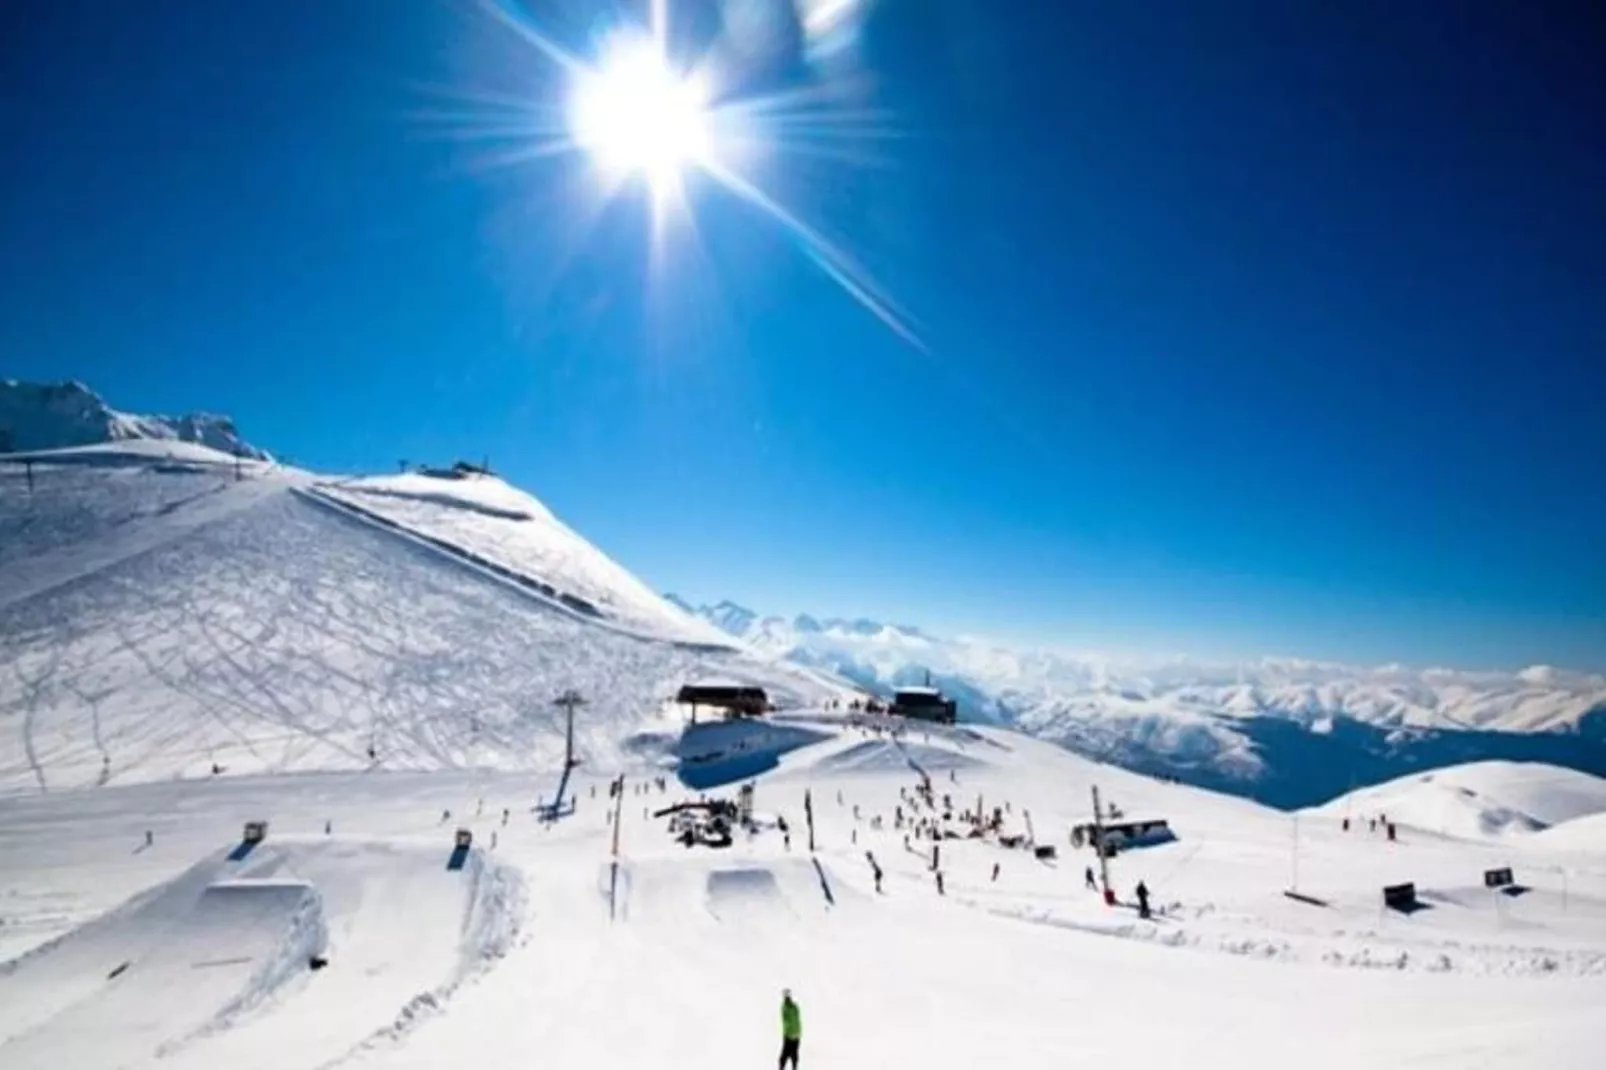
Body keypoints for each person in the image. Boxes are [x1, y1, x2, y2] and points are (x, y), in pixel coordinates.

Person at [779, 989, 802, 1070]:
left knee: (790, 1055)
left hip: (793, 1034)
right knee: (789, 1054)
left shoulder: (790, 1007)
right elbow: (790, 1018)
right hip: (792, 1034)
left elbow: (794, 1018)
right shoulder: (789, 1007)